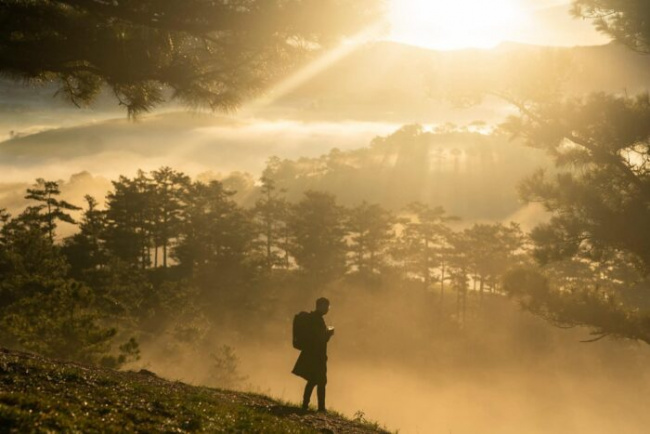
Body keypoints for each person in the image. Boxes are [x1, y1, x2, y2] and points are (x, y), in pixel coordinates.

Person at [292, 297, 334, 412]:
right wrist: (329, 334)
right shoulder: (317, 320)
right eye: (326, 306)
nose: (327, 309)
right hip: (317, 356)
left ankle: (306, 405)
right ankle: (320, 408)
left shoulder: (313, 318)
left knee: (314, 380)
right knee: (320, 381)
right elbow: (320, 339)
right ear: (320, 306)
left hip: (312, 354)